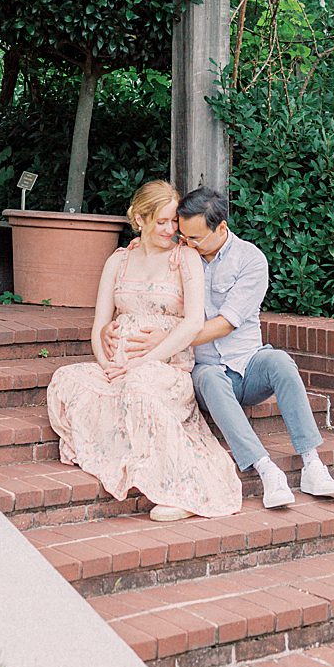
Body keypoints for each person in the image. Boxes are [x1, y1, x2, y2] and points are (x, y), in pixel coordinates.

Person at [106, 187, 334, 509]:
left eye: (195, 238)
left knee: (281, 362)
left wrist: (164, 340)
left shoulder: (250, 260)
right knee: (209, 378)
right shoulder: (181, 255)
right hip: (207, 369)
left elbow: (225, 324)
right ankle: (266, 469)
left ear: (221, 228)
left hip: (248, 364)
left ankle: (313, 464)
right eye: (184, 235)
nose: (186, 242)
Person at [46, 180, 242, 522]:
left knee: (138, 388)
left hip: (165, 369)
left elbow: (193, 322)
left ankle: (181, 490)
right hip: (118, 368)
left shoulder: (185, 259)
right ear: (140, 218)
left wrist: (142, 360)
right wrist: (106, 362)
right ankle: (123, 454)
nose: (171, 229)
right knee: (67, 379)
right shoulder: (119, 261)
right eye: (162, 221)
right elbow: (100, 323)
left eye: (173, 222)